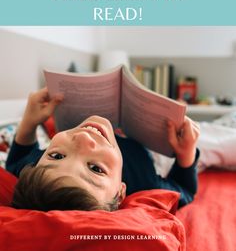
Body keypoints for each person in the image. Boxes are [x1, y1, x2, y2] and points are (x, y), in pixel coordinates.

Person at [6, 87, 200, 212]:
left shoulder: (35, 175)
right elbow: (185, 191)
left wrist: (28, 123)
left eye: (56, 155)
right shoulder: (144, 182)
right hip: (146, 146)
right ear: (120, 192)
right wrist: (186, 155)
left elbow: (17, 161)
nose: (83, 139)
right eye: (96, 169)